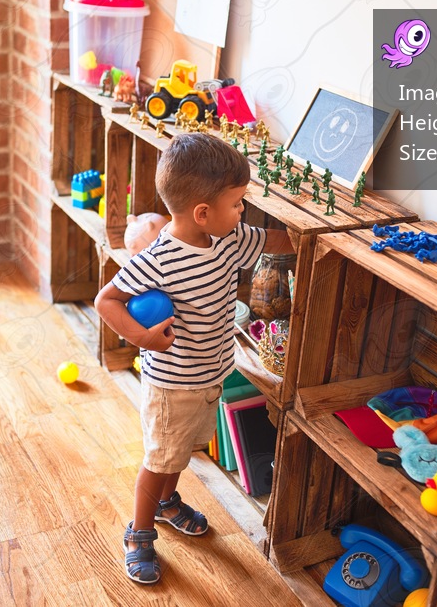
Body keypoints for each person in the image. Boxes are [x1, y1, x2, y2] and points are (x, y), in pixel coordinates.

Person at [94, 133, 293, 584]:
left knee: (179, 453)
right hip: (172, 384)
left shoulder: (228, 238)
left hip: (209, 374)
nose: (242, 212)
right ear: (203, 213)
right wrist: (143, 337)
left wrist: (311, 239)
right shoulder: (159, 259)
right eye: (237, 203)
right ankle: (139, 533)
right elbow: (107, 300)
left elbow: (271, 241)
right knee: (159, 459)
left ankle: (166, 503)